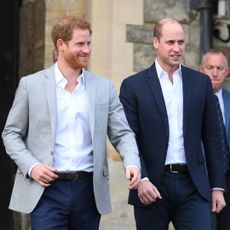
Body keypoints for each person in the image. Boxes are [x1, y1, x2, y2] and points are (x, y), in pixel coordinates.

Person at [2, 15, 141, 230]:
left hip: (89, 191)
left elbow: (122, 134)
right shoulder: (31, 85)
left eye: (89, 43)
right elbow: (11, 133)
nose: (87, 50)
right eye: (80, 44)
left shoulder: (104, 88)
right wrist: (32, 166)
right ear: (61, 45)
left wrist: (131, 162)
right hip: (46, 191)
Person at [119, 17, 226, 230]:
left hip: (193, 185)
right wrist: (142, 179)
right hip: (151, 186)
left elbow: (213, 137)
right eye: (170, 42)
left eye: (181, 42)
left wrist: (217, 186)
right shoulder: (133, 86)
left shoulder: (200, 83)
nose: (177, 48)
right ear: (156, 42)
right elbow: (128, 138)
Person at [200, 49, 230, 230]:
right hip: (203, 179)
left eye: (220, 68)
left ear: (226, 71)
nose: (215, 72)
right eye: (210, 67)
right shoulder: (192, 100)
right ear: (201, 69)